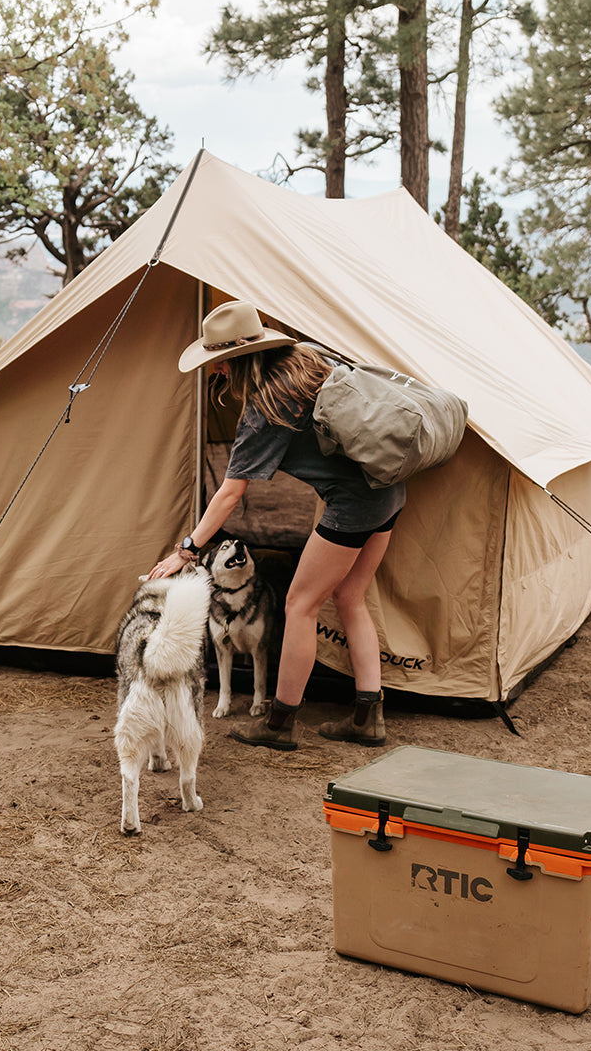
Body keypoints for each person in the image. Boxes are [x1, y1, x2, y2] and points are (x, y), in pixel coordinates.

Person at [148, 299, 405, 751]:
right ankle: (369, 716)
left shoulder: (265, 406)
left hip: (354, 506)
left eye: (221, 363)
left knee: (299, 605)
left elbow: (230, 493)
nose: (218, 373)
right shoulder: (310, 357)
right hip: (390, 490)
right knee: (350, 597)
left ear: (237, 360)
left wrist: (186, 550)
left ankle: (279, 723)